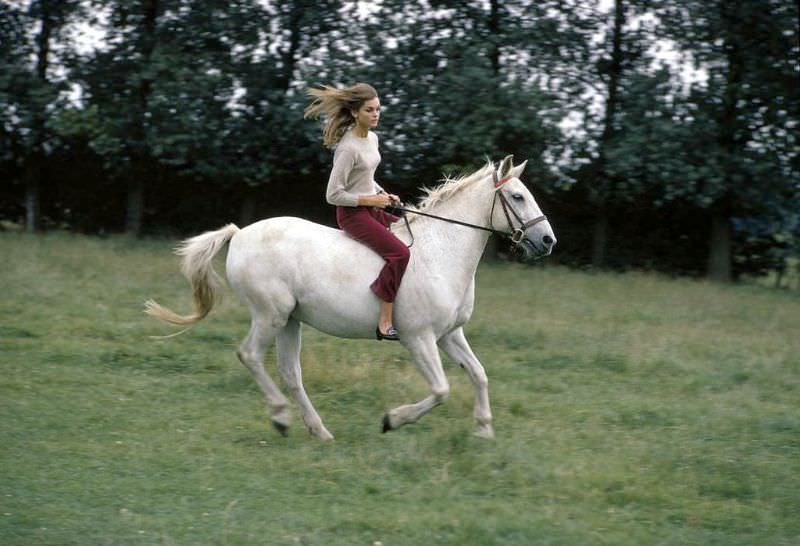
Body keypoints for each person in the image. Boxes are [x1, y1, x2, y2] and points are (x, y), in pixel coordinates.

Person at [304, 83, 409, 341]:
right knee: (400, 253)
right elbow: (334, 195)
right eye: (369, 110)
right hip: (353, 216)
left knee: (410, 227)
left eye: (378, 109)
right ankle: (384, 321)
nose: (376, 115)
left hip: (372, 207)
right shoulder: (348, 148)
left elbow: (365, 177)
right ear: (354, 113)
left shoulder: (372, 139)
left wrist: (384, 194)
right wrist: (373, 200)